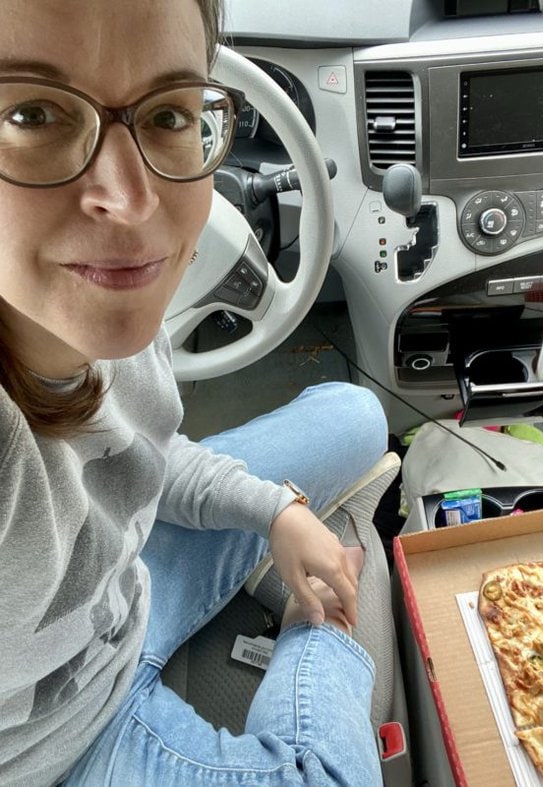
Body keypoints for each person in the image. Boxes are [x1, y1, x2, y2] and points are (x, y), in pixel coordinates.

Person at [0, 1, 396, 785]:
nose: (132, 197)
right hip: (60, 739)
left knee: (360, 414)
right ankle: (316, 629)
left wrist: (272, 510)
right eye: (33, 113)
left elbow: (138, 453)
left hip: (127, 581)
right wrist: (318, 621)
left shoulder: (100, 294)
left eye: (169, 114)